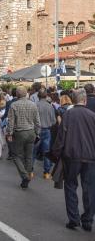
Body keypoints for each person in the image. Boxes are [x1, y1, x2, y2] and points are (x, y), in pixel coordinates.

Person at [52, 88, 95, 231]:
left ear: (74, 99)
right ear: (85, 100)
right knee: (89, 188)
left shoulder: (68, 115)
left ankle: (74, 218)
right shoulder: (92, 115)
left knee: (70, 186)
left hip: (71, 156)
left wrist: (56, 154)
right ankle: (88, 220)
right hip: (90, 157)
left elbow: (60, 137)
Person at [7, 87, 40, 189]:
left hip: (20, 132)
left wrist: (9, 134)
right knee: (29, 156)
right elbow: (37, 121)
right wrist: (37, 133)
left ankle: (25, 176)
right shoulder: (33, 104)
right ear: (26, 94)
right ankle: (27, 176)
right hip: (31, 132)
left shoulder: (14, 105)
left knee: (16, 155)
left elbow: (11, 122)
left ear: (17, 95)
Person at [35, 89, 56, 179]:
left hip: (36, 130)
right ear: (46, 96)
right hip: (47, 130)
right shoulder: (50, 106)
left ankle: (30, 171)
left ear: (38, 96)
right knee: (47, 152)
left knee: (33, 151)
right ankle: (46, 172)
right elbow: (54, 121)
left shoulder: (35, 105)